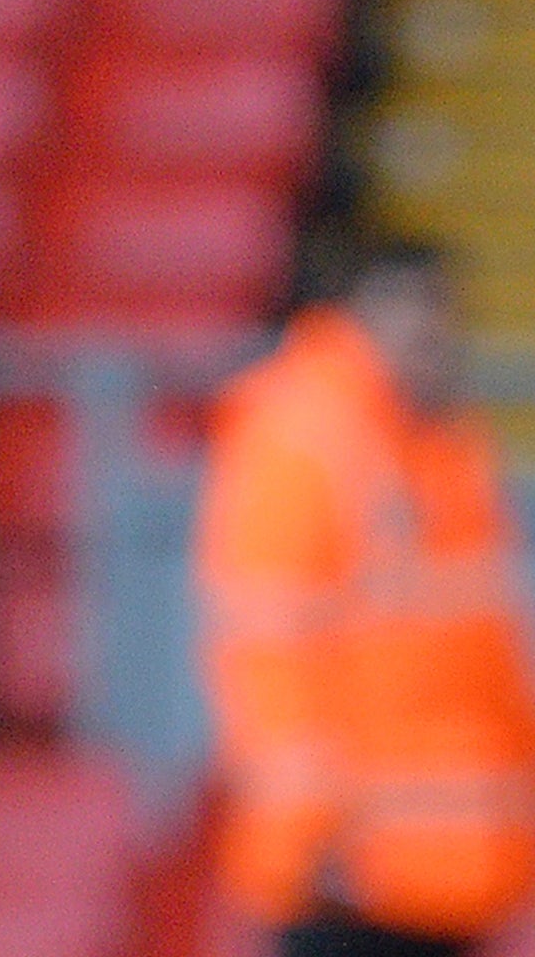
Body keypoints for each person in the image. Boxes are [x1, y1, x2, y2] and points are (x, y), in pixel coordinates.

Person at [194, 238, 535, 957]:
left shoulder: (447, 449)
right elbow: (268, 648)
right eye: (409, 314)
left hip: (454, 877)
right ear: (357, 315)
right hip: (346, 882)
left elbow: (486, 659)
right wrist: (312, 835)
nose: (430, 337)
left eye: (441, 317)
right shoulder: (304, 439)